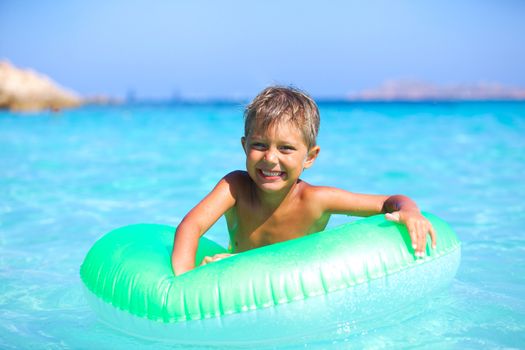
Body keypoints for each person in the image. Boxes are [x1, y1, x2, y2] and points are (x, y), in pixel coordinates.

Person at [171, 86, 436, 276]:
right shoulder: (235, 188)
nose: (270, 158)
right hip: (240, 284)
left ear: (310, 157)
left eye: (285, 148)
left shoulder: (316, 200)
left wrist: (410, 212)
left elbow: (390, 202)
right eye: (259, 145)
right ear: (244, 147)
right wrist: (183, 281)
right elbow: (191, 225)